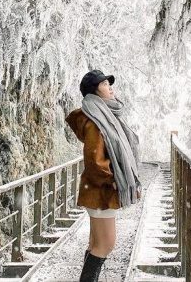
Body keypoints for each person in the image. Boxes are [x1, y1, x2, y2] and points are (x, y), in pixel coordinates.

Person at [66, 70, 144, 282]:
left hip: (97, 191)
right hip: (101, 191)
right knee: (106, 244)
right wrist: (112, 180)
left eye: (109, 83)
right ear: (94, 91)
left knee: (95, 244)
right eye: (104, 84)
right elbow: (95, 160)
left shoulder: (104, 116)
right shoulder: (95, 121)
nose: (110, 86)